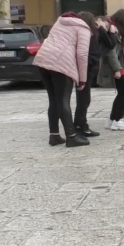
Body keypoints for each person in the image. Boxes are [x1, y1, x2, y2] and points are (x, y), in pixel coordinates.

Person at [34, 12, 91, 147]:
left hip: (43, 60)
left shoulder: (59, 22)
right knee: (63, 100)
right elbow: (82, 55)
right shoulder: (83, 28)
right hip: (62, 65)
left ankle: (54, 136)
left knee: (53, 100)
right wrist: (82, 79)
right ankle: (71, 137)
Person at [98, 9, 124, 131]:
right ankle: (117, 120)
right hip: (115, 66)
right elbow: (111, 52)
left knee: (123, 92)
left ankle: (112, 119)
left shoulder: (112, 29)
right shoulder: (111, 30)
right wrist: (118, 69)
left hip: (117, 65)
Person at [73, 12, 103, 140]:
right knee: (84, 99)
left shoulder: (80, 33)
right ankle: (80, 126)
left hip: (80, 67)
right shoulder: (90, 34)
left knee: (83, 99)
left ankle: (80, 124)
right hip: (85, 68)